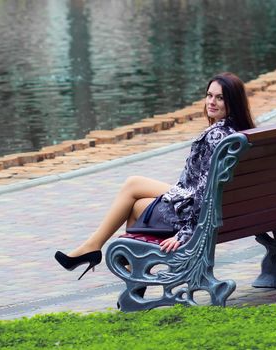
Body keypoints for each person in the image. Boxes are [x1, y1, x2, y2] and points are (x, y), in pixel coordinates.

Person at [55, 72, 255, 279]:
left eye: (220, 98)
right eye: (209, 95)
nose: (211, 102)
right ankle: (111, 257)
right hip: (219, 207)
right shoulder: (239, 132)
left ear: (232, 101)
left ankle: (121, 266)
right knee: (133, 184)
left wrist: (184, 234)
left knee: (134, 204)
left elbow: (206, 193)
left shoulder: (217, 137)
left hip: (197, 214)